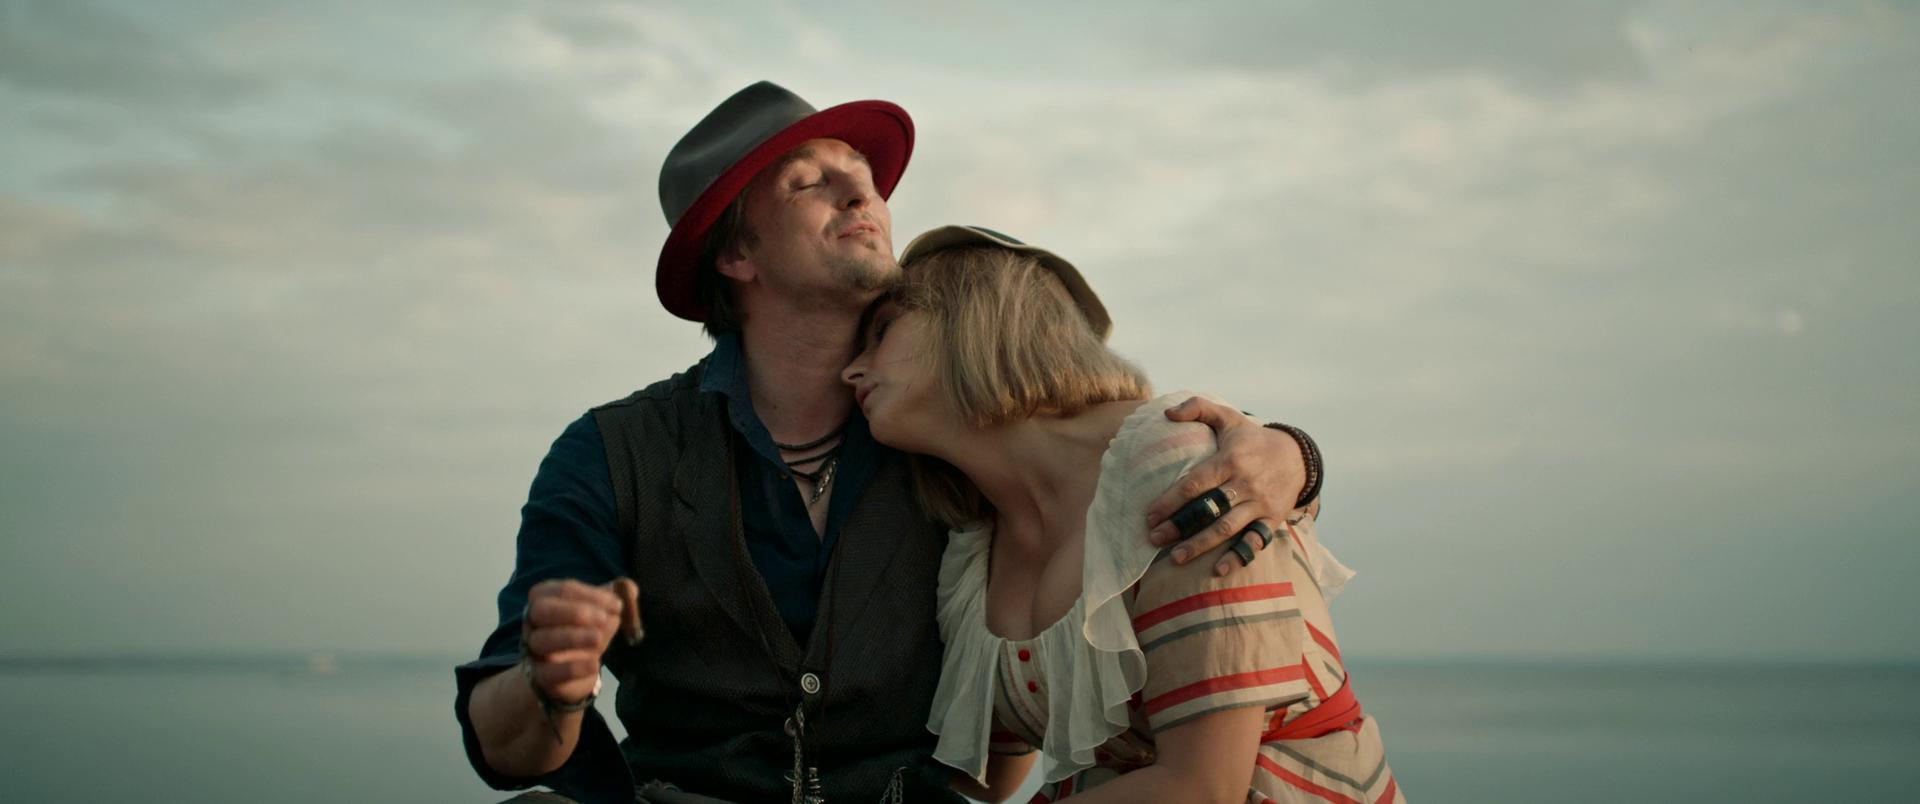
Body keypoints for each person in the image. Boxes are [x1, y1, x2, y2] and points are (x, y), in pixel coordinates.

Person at [454, 82, 1326, 803]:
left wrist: (1291, 455)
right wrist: (549, 683)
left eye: (864, 177)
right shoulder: (612, 453)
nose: (860, 195)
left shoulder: (943, 429)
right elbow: (506, 748)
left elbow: (1112, 453)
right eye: (809, 182)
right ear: (736, 255)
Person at [840, 226, 1401, 803]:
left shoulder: (1176, 465)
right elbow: (991, 775)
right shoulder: (972, 543)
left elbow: (1204, 787)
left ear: (971, 318)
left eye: (881, 332)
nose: (851, 371)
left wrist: (1298, 455)